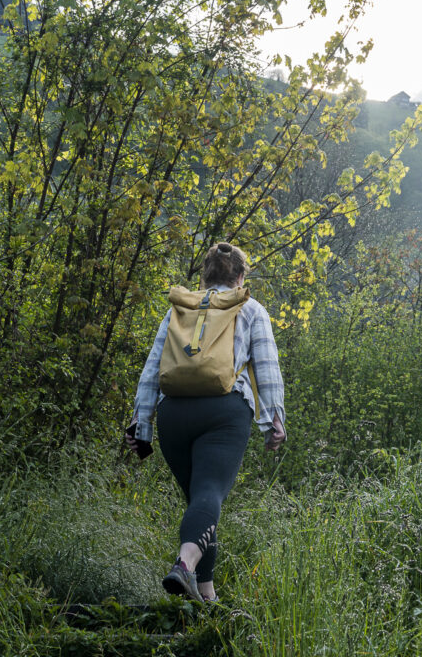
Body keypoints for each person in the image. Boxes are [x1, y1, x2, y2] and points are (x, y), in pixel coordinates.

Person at [124, 242, 286, 602]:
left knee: (200, 502)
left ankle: (205, 597)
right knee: (209, 494)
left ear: (205, 275)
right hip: (223, 412)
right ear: (241, 276)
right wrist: (275, 419)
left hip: (173, 414)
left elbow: (153, 369)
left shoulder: (180, 309)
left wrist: (141, 423)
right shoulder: (251, 308)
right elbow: (267, 368)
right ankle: (184, 566)